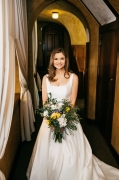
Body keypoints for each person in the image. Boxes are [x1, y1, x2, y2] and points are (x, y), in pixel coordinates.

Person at [26, 48, 119, 180]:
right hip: (50, 119)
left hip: (68, 118)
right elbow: (45, 102)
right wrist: (52, 119)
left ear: (66, 60)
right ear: (52, 60)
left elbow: (72, 102)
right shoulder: (46, 78)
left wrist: (63, 118)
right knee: (47, 151)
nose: (59, 62)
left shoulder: (73, 77)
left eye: (62, 58)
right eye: (56, 58)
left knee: (71, 153)